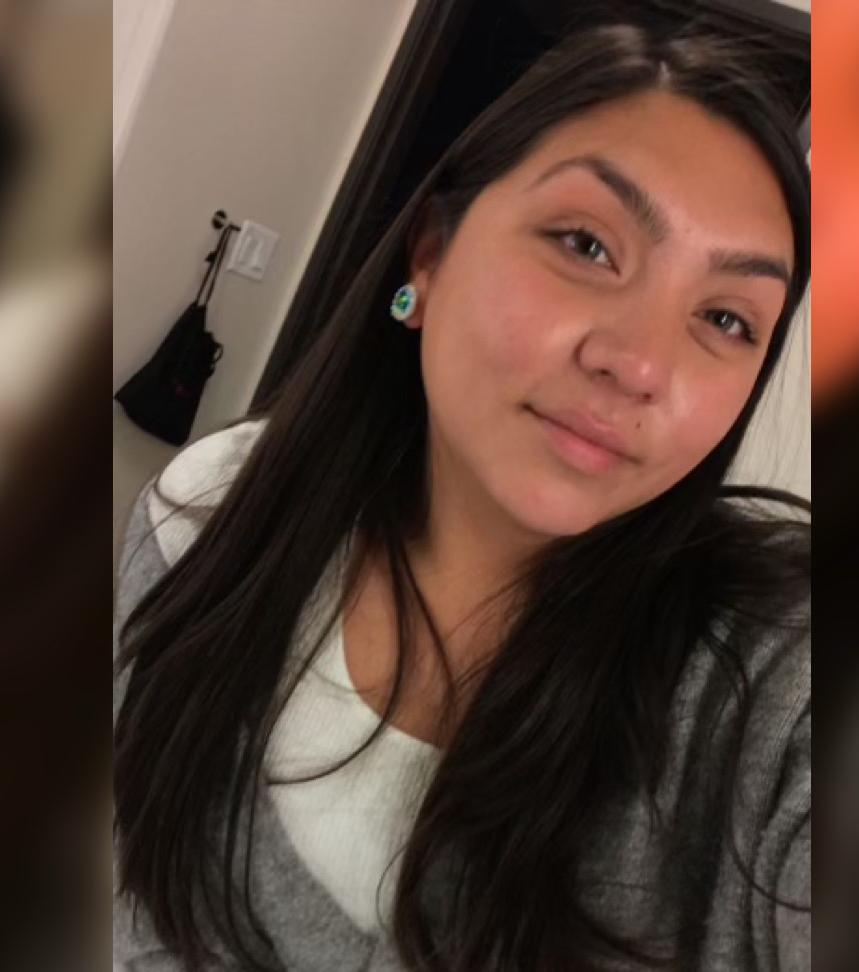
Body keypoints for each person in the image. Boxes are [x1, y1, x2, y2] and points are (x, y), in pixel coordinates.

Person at [113, 23, 810, 972]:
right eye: (586, 245)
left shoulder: (775, 688)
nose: (641, 364)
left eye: (727, 318)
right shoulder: (203, 514)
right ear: (431, 255)